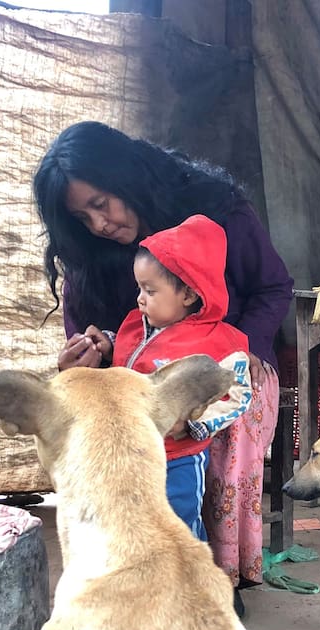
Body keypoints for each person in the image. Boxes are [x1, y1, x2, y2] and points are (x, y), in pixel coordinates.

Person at [34, 120, 294, 596]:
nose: (99, 224)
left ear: (126, 176)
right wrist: (87, 355)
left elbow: (274, 287)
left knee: (222, 416)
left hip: (228, 365)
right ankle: (134, 563)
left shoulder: (215, 210)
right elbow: (88, 329)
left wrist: (251, 347)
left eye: (100, 204)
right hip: (140, 376)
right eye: (82, 218)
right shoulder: (90, 250)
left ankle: (216, 573)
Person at [85, 214, 252, 542]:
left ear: (188, 294)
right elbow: (136, 358)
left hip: (177, 460)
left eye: (150, 290)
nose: (140, 298)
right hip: (130, 453)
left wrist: (193, 424)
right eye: (139, 288)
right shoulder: (139, 325)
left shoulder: (215, 344)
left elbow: (237, 394)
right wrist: (109, 347)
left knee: (178, 527)